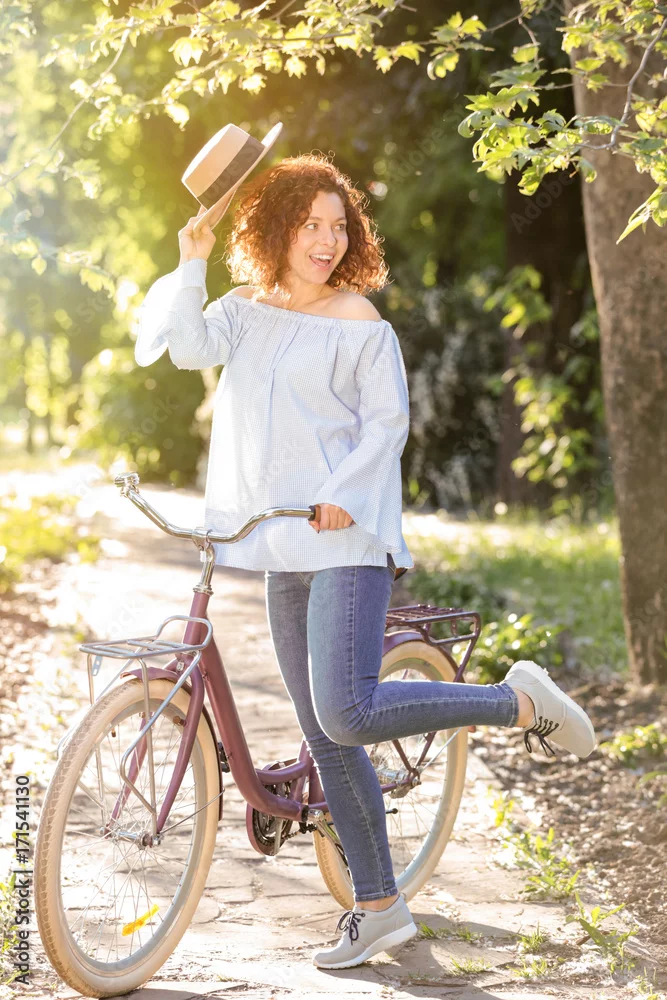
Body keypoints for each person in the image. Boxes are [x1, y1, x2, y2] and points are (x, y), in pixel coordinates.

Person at [134, 153, 596, 971]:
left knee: (345, 714)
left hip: (345, 537)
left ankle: (516, 702)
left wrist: (343, 493)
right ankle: (379, 907)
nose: (326, 240)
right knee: (326, 734)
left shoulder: (357, 318)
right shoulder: (243, 310)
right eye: (308, 224)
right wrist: (192, 259)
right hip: (278, 540)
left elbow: (386, 424)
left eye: (337, 225)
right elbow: (183, 348)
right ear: (274, 229)